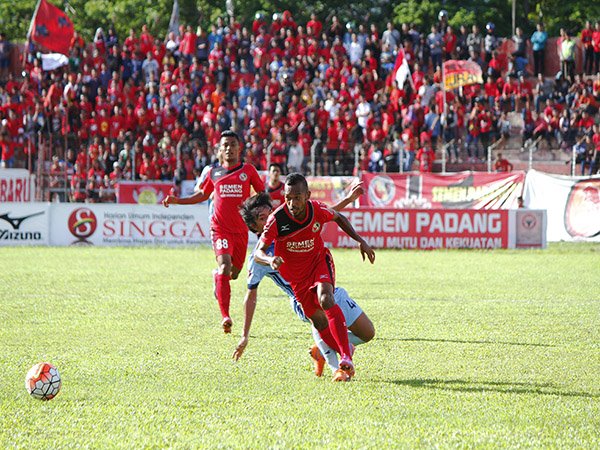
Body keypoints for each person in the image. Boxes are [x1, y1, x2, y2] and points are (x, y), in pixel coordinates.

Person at [233, 185, 375, 379]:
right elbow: (251, 295)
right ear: (254, 227)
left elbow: (322, 214)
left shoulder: (288, 222)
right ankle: (339, 368)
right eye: (261, 218)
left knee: (367, 333)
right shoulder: (259, 257)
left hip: (324, 284)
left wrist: (349, 199)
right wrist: (244, 335)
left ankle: (324, 349)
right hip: (301, 297)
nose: (268, 219)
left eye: (269, 214)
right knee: (320, 317)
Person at [163, 130, 265, 333]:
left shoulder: (249, 171)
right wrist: (178, 201)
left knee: (234, 274)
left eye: (232, 144)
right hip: (220, 229)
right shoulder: (214, 173)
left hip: (241, 231)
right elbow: (202, 194)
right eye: (225, 145)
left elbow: (262, 195)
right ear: (219, 150)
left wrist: (259, 220)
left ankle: (217, 278)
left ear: (239, 148)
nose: (229, 148)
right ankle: (226, 317)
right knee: (225, 267)